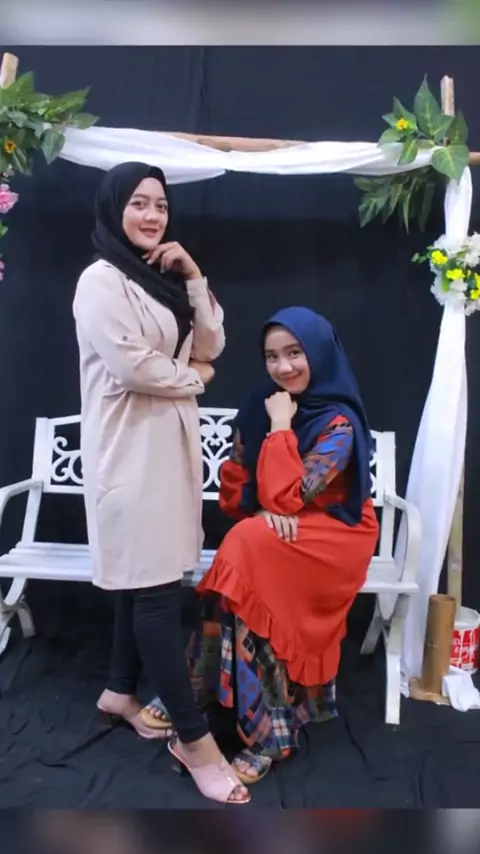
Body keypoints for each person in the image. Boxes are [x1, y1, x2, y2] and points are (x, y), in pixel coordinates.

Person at [72, 161, 250, 805]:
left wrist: (195, 278)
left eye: (161, 205)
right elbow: (132, 367)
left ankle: (118, 692)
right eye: (139, 203)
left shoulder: (162, 277)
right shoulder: (100, 281)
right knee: (153, 597)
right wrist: (195, 378)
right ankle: (195, 742)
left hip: (167, 448)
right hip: (128, 452)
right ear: (114, 207)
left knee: (143, 581)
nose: (152, 216)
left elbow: (213, 341)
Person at [144, 306, 379, 784]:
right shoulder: (260, 403)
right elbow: (236, 486)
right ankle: (264, 729)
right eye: (272, 356)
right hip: (274, 529)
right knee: (247, 544)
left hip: (335, 534)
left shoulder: (338, 423)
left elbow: (291, 496)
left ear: (319, 352)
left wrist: (281, 428)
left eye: (295, 353)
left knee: (246, 548)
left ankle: (208, 697)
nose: (283, 367)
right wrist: (261, 510)